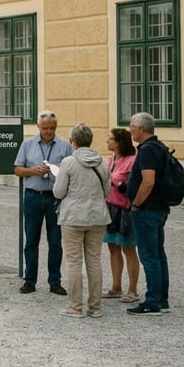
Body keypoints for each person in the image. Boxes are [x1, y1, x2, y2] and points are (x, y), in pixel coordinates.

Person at [52, 123, 111, 318]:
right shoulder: (101, 162)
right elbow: (107, 191)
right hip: (97, 216)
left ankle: (75, 306)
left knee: (74, 262)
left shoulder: (68, 162)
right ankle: (95, 307)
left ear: (72, 141)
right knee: (94, 260)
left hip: (74, 217)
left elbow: (59, 192)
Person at [13, 110, 73, 295]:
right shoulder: (28, 144)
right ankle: (29, 281)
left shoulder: (64, 146)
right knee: (31, 240)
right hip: (33, 195)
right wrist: (33, 171)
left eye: (52, 128)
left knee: (55, 241)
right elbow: (17, 169)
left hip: (55, 197)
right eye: (45, 128)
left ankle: (55, 282)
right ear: (38, 127)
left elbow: (72, 170)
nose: (48, 132)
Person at [124, 112, 171, 316]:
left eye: (132, 126)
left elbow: (148, 181)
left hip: (147, 210)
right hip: (158, 207)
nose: (130, 130)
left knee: (149, 255)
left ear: (141, 128)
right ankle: (161, 299)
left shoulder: (147, 150)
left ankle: (153, 301)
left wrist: (136, 203)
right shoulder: (159, 146)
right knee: (158, 254)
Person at [102, 127, 140, 303]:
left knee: (129, 248)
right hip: (110, 207)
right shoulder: (110, 160)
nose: (107, 141)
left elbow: (132, 186)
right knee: (112, 247)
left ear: (119, 142)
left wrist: (117, 183)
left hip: (125, 209)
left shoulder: (132, 161)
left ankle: (133, 290)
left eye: (110, 139)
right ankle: (116, 286)